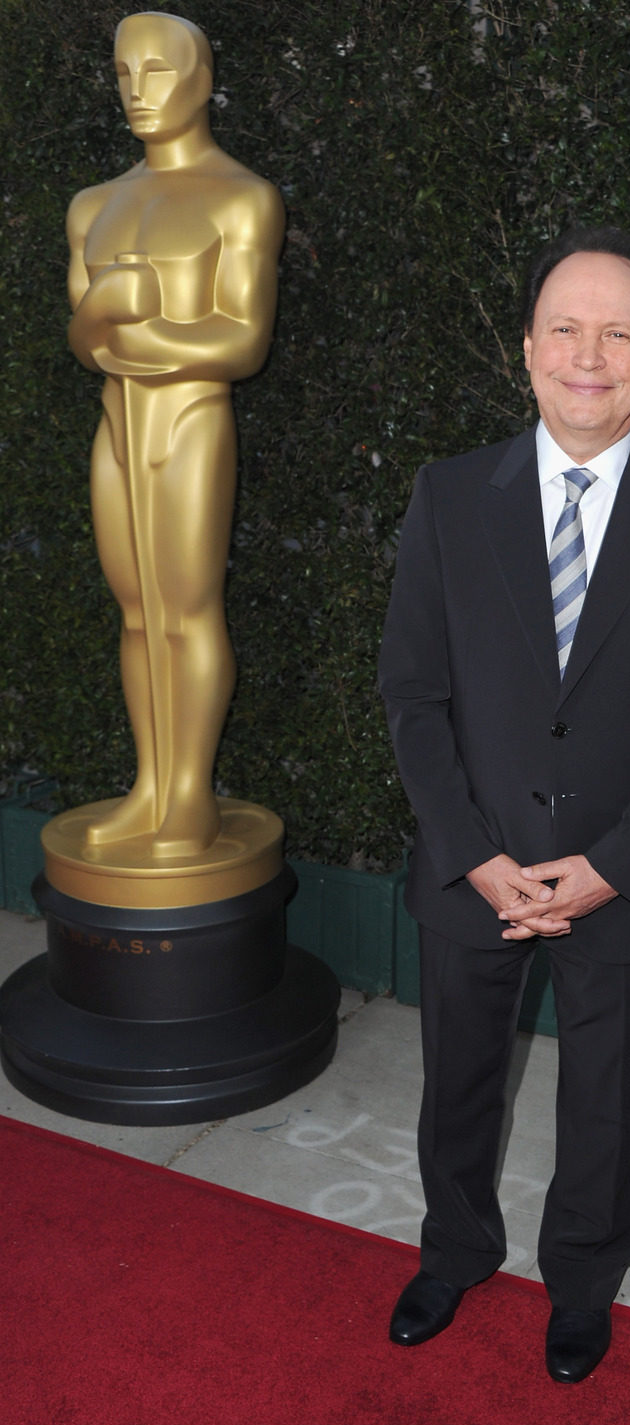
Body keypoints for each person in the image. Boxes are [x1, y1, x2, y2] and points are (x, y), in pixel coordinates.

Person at [378, 225, 630, 1382]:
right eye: (564, 328)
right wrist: (473, 853)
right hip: (472, 868)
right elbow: (412, 692)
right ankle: (453, 1249)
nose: (586, 355)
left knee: (605, 1098)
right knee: (458, 1082)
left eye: (617, 334)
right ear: (528, 349)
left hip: (625, 879)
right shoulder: (447, 499)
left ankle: (582, 1279)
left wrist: (607, 864)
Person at [66, 12, 284, 858]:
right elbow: (84, 342)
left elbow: (241, 343)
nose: (138, 91)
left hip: (191, 428)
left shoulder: (241, 198)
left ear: (202, 78)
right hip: (118, 430)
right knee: (135, 614)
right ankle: (149, 786)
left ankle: (188, 795)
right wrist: (108, 321)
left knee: (187, 611)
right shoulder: (95, 205)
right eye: (124, 74)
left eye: (158, 71)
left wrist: (132, 321)